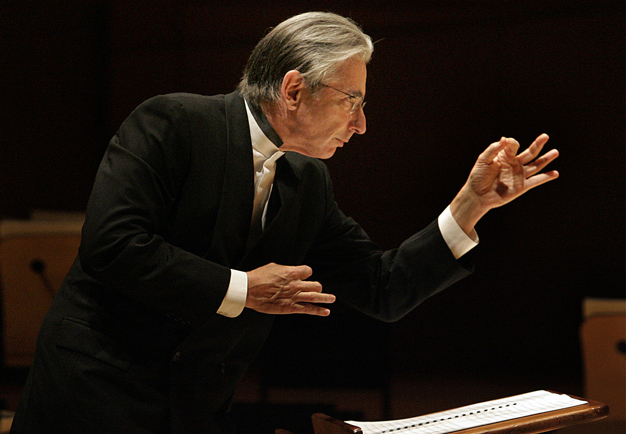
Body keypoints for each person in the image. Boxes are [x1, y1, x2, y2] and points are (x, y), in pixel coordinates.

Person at [10, 11, 559, 434]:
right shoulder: (174, 123)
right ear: (295, 90)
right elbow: (112, 246)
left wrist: (471, 203)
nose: (361, 125)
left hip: (191, 412)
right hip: (91, 397)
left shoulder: (305, 183)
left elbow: (382, 287)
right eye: (352, 101)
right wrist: (244, 288)